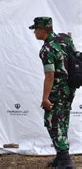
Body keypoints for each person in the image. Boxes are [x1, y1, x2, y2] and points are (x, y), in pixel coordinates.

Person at [30, 17, 76, 168]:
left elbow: (49, 75)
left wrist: (45, 98)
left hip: (57, 91)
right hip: (70, 89)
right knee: (63, 121)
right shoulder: (65, 39)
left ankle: (65, 160)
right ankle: (60, 157)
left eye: (35, 29)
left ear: (42, 30)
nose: (34, 32)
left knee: (53, 123)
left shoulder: (47, 49)